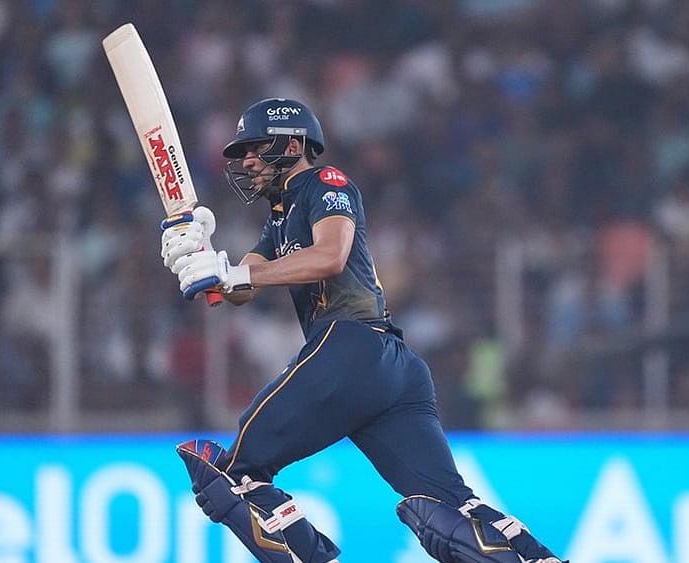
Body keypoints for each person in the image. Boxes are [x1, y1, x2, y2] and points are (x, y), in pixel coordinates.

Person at [160, 98, 566, 563]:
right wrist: (203, 259)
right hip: (390, 369)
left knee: (231, 476)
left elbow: (330, 255)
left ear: (293, 144)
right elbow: (240, 289)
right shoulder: (277, 220)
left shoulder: (325, 183)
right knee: (450, 506)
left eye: (256, 147)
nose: (246, 160)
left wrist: (234, 273)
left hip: (350, 349)